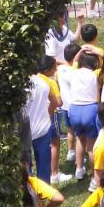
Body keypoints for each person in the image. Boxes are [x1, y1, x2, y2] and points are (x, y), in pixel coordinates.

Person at [36, 55, 72, 184]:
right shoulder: (50, 82)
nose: (56, 69)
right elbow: (59, 102)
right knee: (55, 144)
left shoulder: (35, 79)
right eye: (54, 67)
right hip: (53, 115)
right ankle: (55, 173)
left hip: (39, 116)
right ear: (47, 70)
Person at [67, 52, 100, 181]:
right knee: (91, 145)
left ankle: (79, 169)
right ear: (94, 63)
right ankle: (94, 176)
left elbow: (74, 61)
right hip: (90, 108)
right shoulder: (95, 74)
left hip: (74, 109)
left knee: (80, 139)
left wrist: (81, 51)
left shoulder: (73, 72)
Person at [26, 59, 58, 183]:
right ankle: (45, 193)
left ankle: (28, 192)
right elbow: (55, 102)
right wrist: (48, 114)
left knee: (25, 165)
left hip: (24, 132)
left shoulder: (17, 87)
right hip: (42, 129)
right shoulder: (44, 83)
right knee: (44, 165)